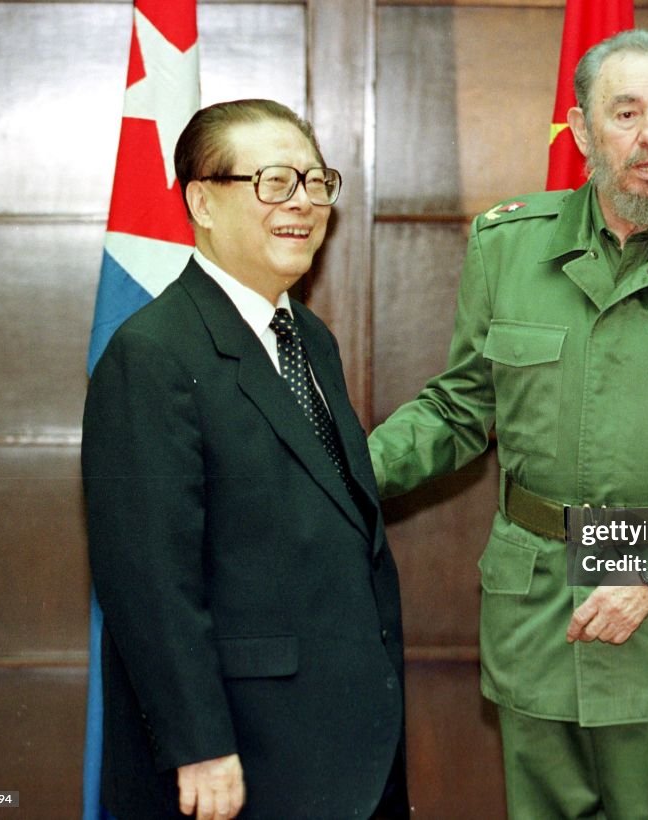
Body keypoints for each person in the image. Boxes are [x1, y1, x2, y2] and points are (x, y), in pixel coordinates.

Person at [368, 29, 648, 819]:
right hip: (538, 614)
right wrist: (339, 467)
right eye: (628, 112)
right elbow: (463, 408)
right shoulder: (508, 246)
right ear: (580, 131)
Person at [83, 99, 408, 820]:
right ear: (202, 199)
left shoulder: (309, 338)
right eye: (272, 183)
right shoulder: (152, 353)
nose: (302, 204)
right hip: (240, 757)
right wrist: (198, 744)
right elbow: (148, 580)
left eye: (315, 181)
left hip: (342, 749)